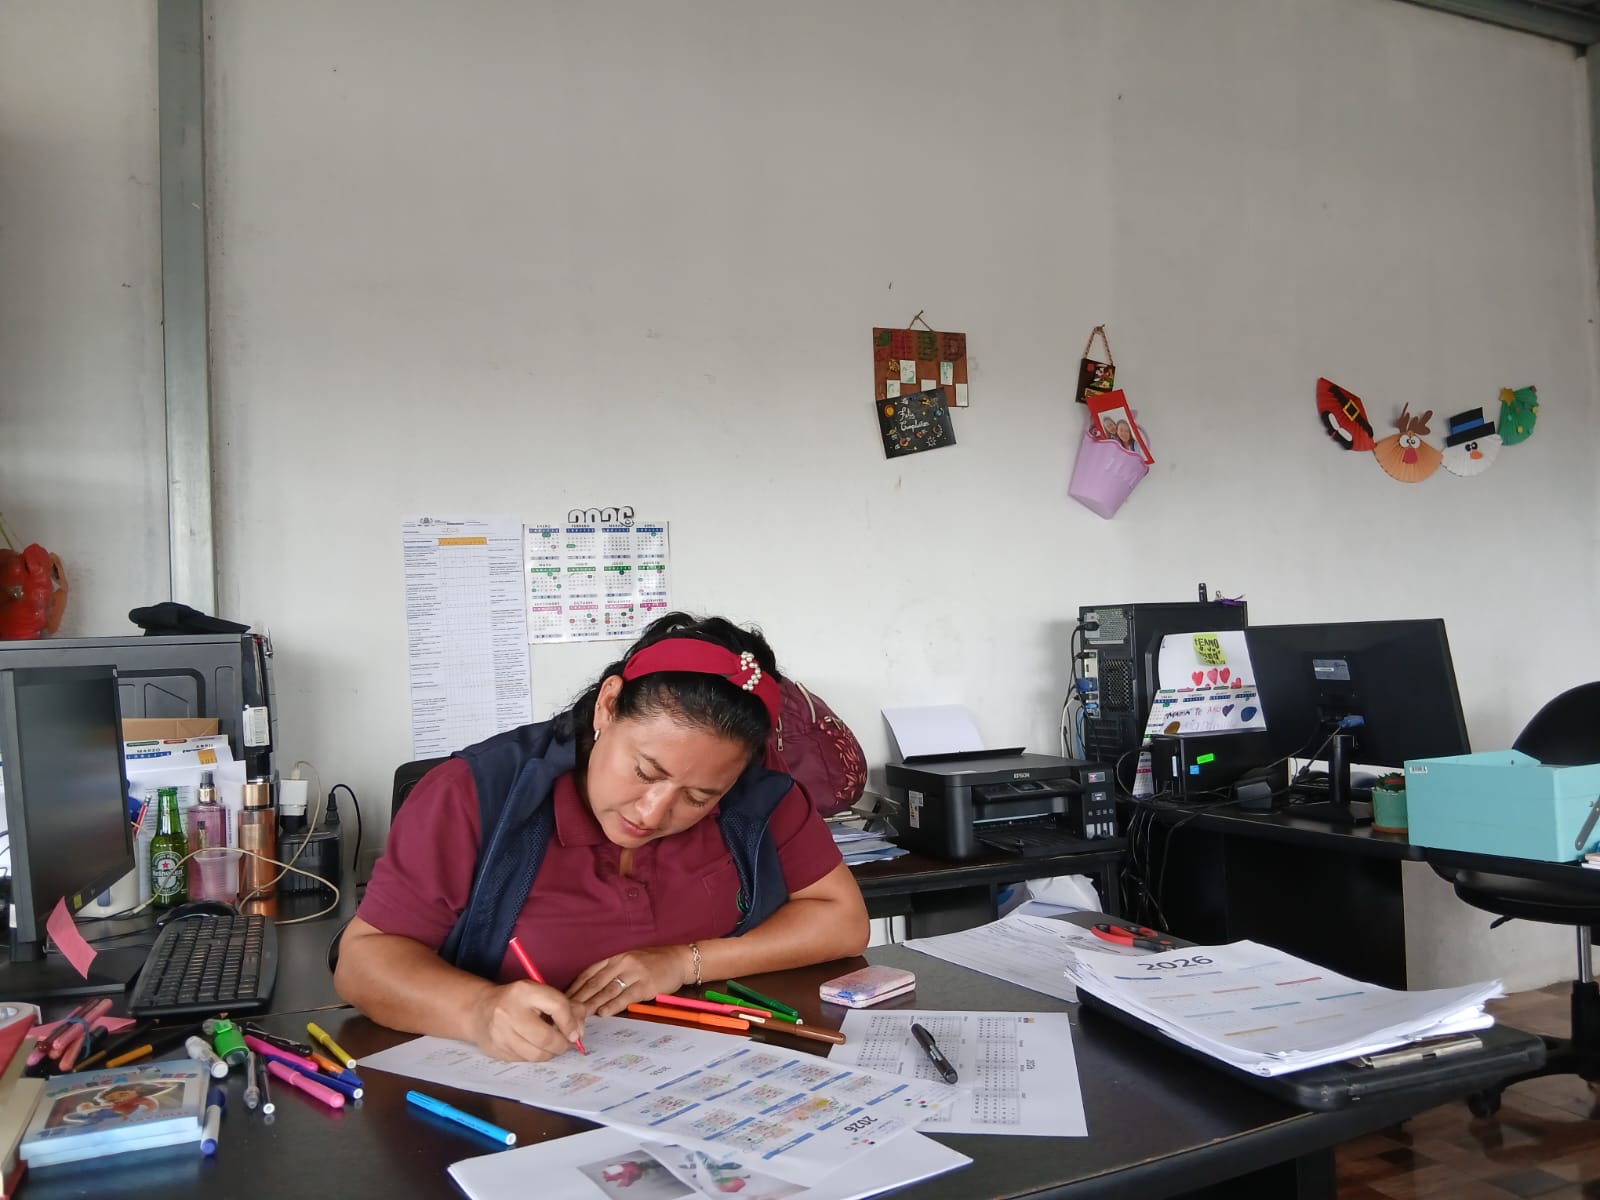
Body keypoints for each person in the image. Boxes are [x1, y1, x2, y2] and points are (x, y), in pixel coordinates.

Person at [334, 613, 870, 1062]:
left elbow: (843, 921)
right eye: (645, 771)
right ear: (608, 706)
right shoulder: (474, 795)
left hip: (703, 1075)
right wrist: (478, 1010)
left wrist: (684, 962)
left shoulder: (758, 797)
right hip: (520, 1093)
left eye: (698, 796)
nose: (653, 813)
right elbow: (364, 962)